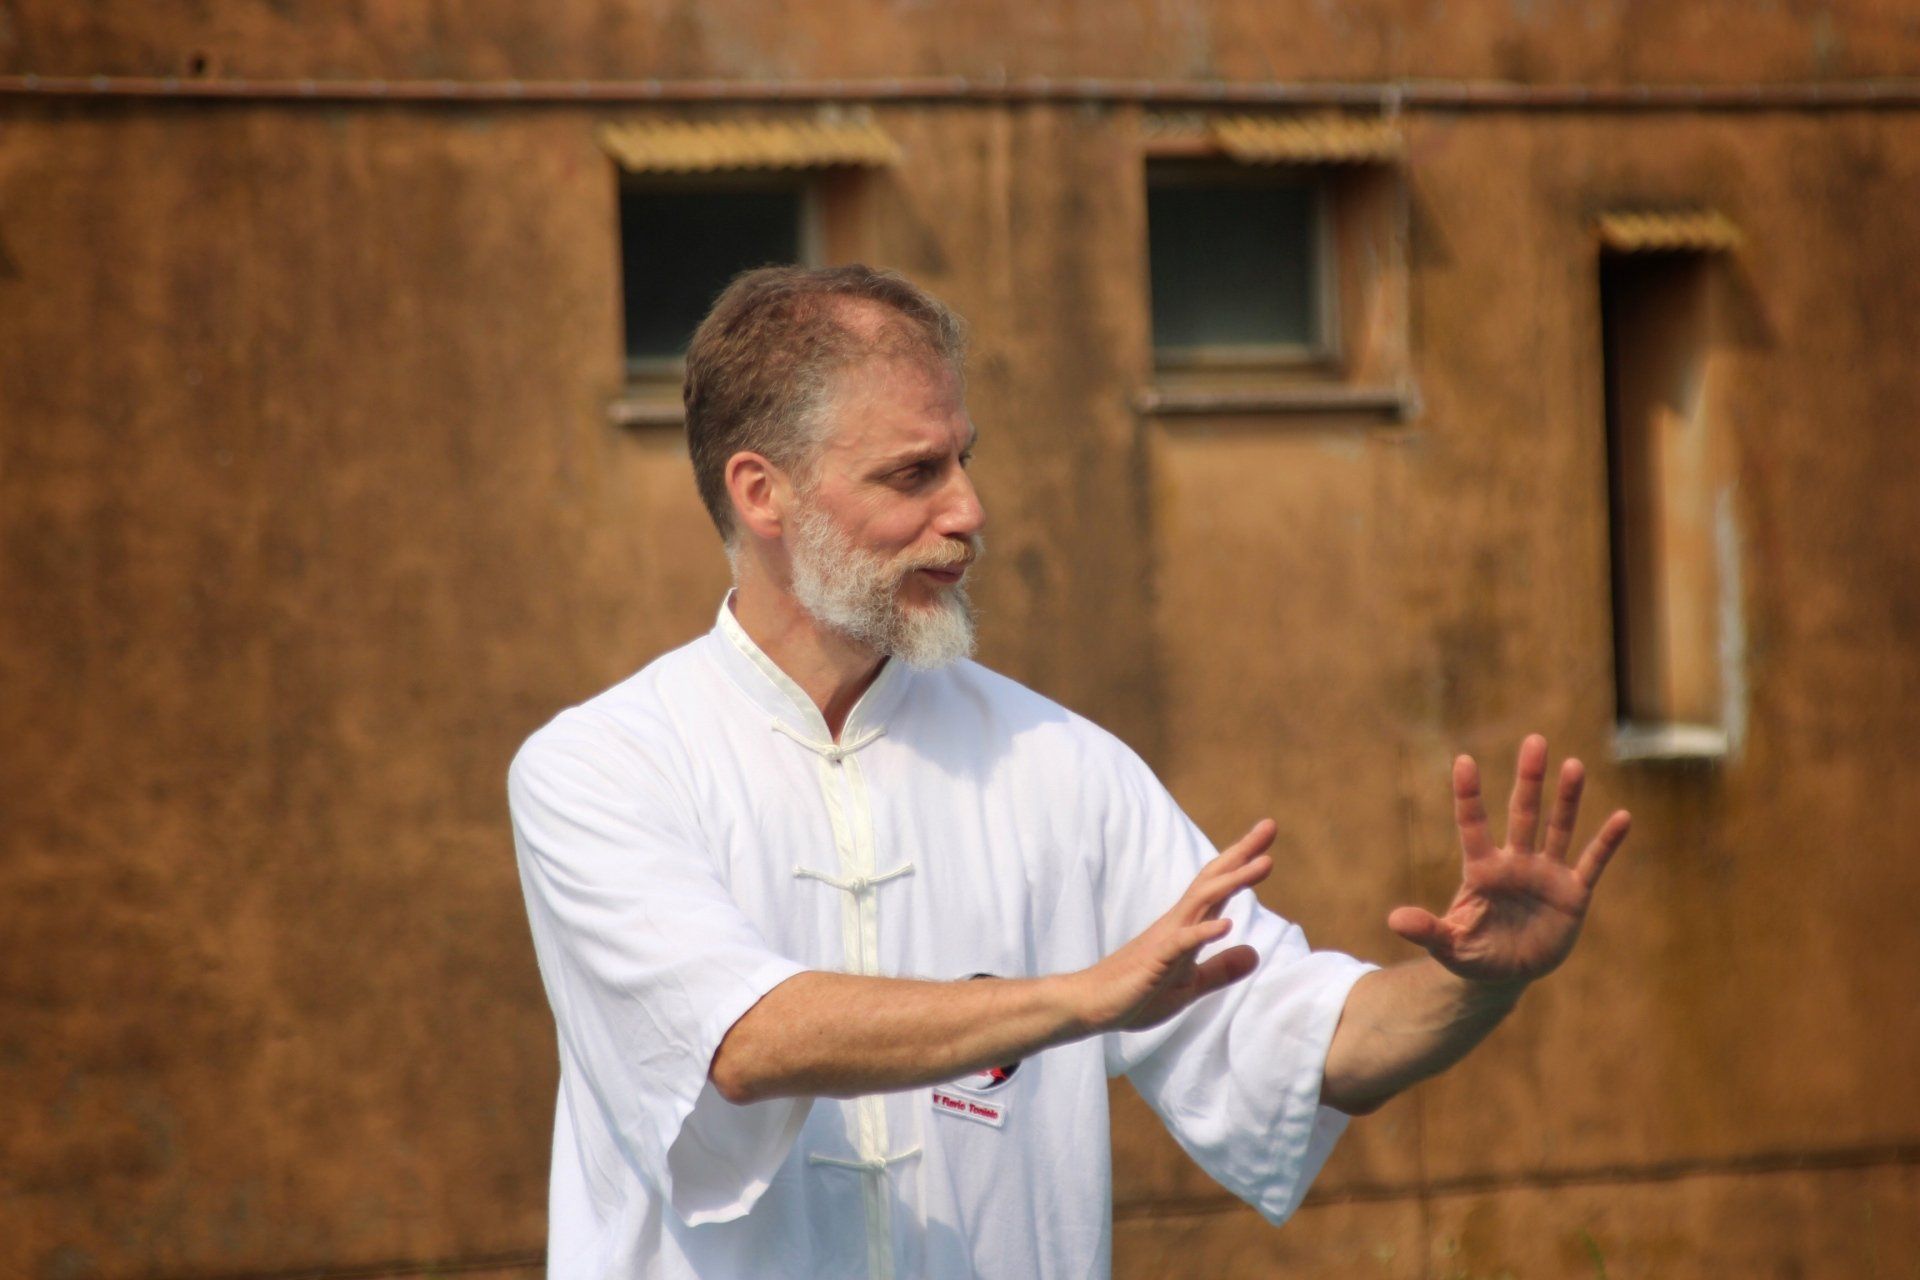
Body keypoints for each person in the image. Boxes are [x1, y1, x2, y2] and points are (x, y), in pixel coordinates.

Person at [507, 264, 1632, 1280]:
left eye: (965, 459)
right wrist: (1080, 997)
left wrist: (1478, 984)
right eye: (914, 473)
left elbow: (1297, 1040)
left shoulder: (1062, 766)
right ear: (763, 493)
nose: (969, 512)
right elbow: (742, 1042)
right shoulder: (599, 769)